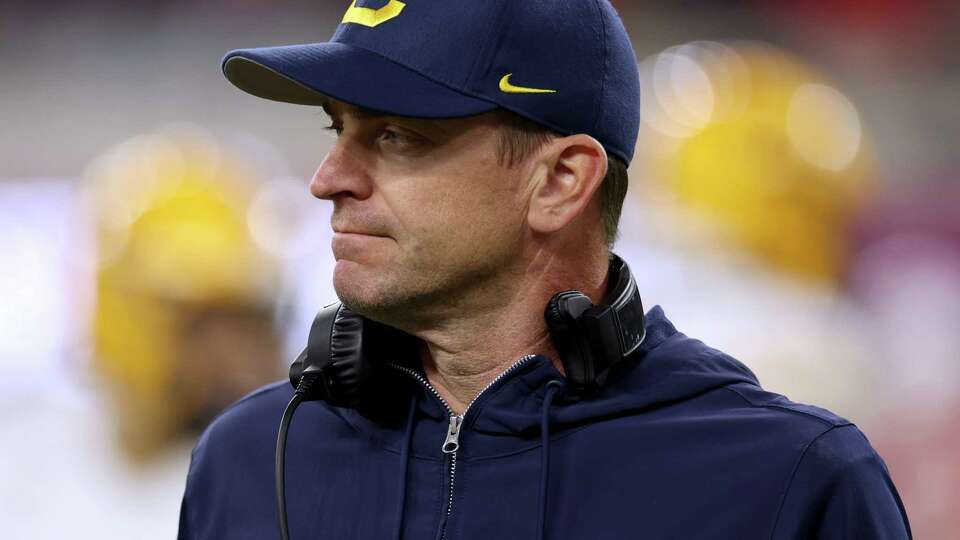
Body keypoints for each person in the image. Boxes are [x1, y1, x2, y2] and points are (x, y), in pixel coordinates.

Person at [178, 1, 912, 538]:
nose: (328, 177)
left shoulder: (789, 479)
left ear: (561, 181)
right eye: (339, 131)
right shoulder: (250, 457)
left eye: (396, 135)